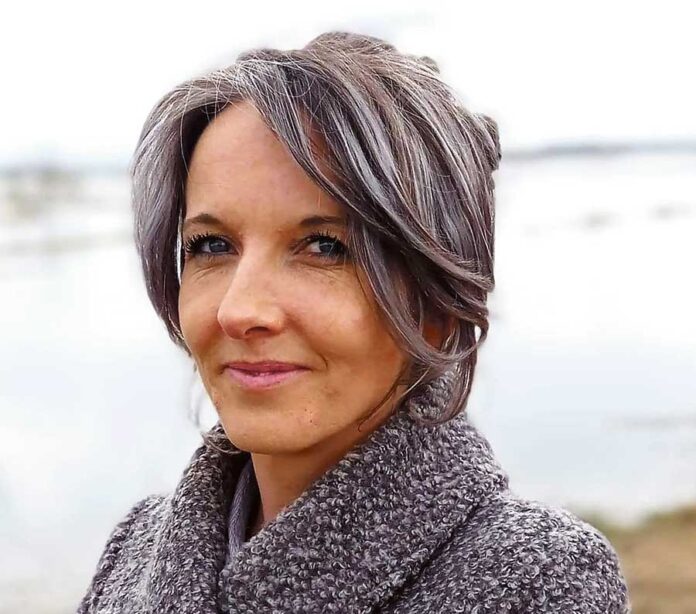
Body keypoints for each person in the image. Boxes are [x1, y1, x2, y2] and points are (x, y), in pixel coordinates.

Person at [77, 31, 631, 613]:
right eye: (211, 245)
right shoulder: (135, 552)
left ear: (439, 297)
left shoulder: (533, 580)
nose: (239, 311)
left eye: (324, 247)